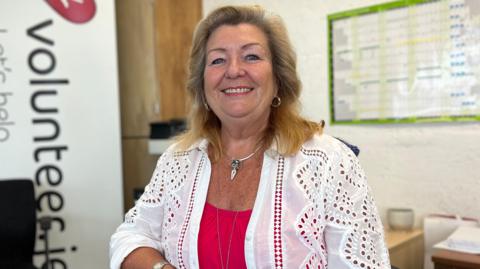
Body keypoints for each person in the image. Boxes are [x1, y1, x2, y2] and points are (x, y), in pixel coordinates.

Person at [110, 5, 390, 269]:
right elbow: (131, 235)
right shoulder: (178, 160)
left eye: (251, 56)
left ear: (278, 77)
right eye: (218, 60)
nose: (233, 71)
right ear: (203, 84)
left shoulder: (329, 162)